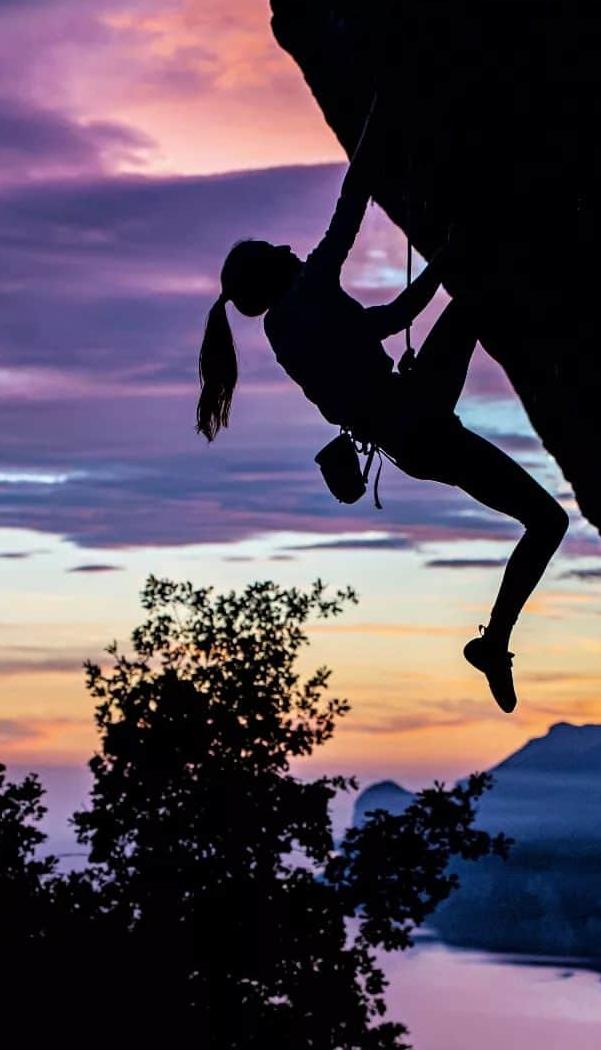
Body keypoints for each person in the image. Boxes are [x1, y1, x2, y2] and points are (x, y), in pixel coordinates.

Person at [195, 105, 567, 713]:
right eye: (274, 247)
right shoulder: (309, 289)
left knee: (542, 518)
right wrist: (380, 112)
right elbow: (354, 202)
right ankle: (494, 642)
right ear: (271, 271)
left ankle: (496, 643)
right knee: (547, 520)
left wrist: (445, 260)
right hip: (419, 418)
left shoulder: (282, 332)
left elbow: (382, 324)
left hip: (412, 437)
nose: (288, 245)